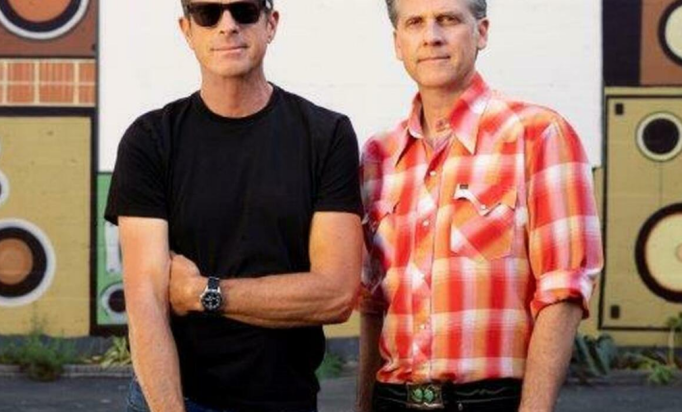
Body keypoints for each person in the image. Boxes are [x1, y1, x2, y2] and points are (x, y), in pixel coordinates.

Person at [104, 1, 363, 411]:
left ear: (270, 23)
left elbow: (336, 294)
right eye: (208, 14)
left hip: (286, 400)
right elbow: (146, 303)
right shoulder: (150, 141)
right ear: (187, 31)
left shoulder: (326, 136)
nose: (227, 25)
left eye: (243, 10)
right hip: (179, 398)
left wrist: (202, 292)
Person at [357, 0, 604, 411]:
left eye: (448, 19)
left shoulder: (538, 135)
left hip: (489, 401)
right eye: (415, 23)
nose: (432, 36)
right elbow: (372, 303)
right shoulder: (378, 155)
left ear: (482, 32)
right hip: (393, 399)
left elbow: (563, 289)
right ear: (398, 43)